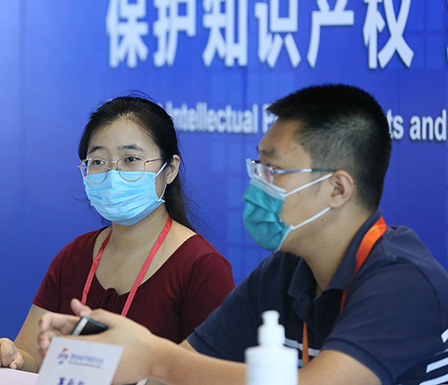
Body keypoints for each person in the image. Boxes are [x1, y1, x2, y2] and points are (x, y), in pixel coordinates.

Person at [37, 84, 448, 385]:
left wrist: (152, 356)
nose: (257, 184)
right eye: (258, 167)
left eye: (274, 170)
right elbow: (184, 370)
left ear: (337, 189)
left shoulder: (403, 280)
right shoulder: (283, 271)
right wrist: (95, 354)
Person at [0, 96, 235, 372]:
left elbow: (213, 374)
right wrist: (9, 357)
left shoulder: (203, 268)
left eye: (131, 159)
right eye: (99, 161)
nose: (113, 175)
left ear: (170, 169)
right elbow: (32, 357)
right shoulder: (74, 256)